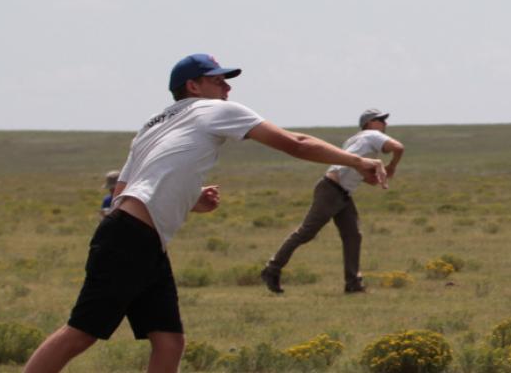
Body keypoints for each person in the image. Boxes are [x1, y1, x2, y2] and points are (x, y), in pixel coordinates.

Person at [24, 54, 386, 373]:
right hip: (131, 238)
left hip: (141, 238)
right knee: (82, 333)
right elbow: (296, 143)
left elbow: (124, 189)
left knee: (169, 341)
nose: (227, 88)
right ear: (193, 86)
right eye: (218, 80)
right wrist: (357, 160)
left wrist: (190, 197)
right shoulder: (215, 110)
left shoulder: (153, 124)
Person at [262, 108, 405, 294]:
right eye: (380, 119)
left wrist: (368, 176)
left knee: (353, 235)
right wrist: (392, 167)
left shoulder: (354, 141)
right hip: (332, 191)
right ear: (368, 123)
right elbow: (398, 148)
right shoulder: (372, 135)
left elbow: (352, 169)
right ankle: (271, 269)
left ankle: (353, 283)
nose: (384, 123)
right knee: (306, 232)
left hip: (341, 192)